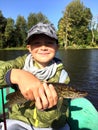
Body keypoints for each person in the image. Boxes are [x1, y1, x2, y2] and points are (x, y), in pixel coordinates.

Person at [0, 22, 70, 130]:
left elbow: (60, 111)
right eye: (37, 43)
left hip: (50, 125)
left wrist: (48, 109)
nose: (43, 47)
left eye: (49, 43)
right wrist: (16, 74)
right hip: (21, 120)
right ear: (29, 48)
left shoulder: (63, 76)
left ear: (57, 47)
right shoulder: (19, 64)